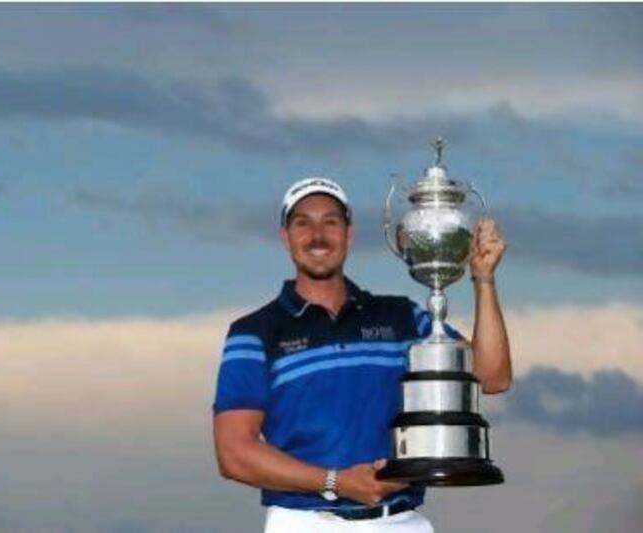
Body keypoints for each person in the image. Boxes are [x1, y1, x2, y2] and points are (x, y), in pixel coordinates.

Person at [212, 177, 511, 532]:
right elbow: (234, 454)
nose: (318, 235)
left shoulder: (402, 317)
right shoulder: (254, 332)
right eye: (303, 223)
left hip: (403, 522)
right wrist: (336, 481)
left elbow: (492, 376)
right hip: (308, 523)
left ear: (349, 235)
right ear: (286, 237)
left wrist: (484, 280)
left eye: (330, 222)